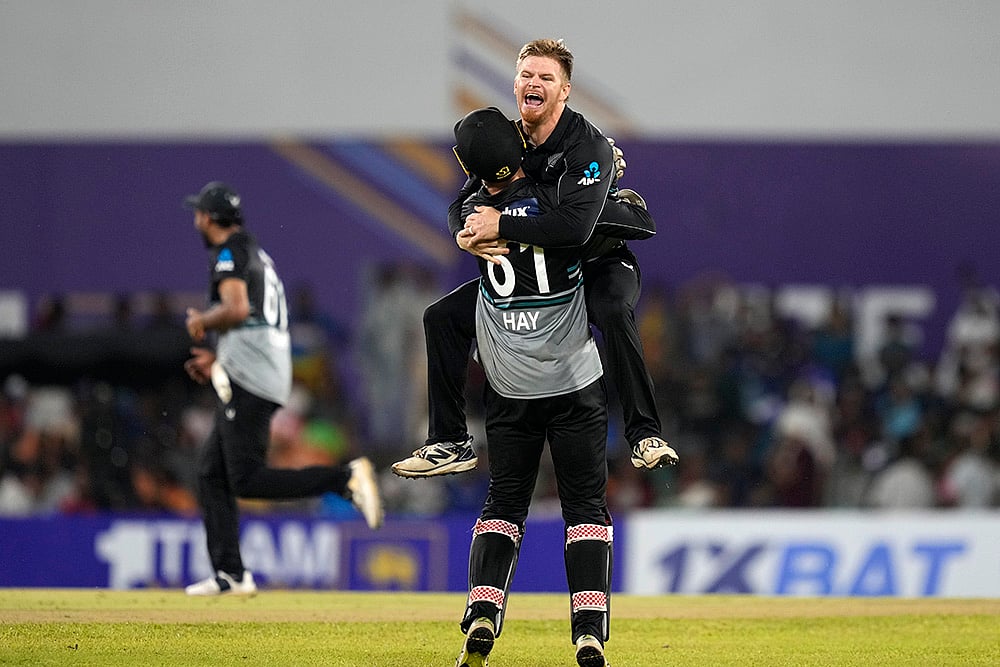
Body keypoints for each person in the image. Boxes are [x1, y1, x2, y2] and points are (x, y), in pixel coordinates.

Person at [392, 38, 677, 479]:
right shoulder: (507, 140)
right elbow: (462, 202)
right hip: (539, 271)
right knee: (442, 318)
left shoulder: (588, 147)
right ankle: (449, 442)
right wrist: (465, 236)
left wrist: (500, 223)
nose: (534, 83)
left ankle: (644, 435)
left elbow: (574, 230)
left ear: (565, 91)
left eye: (546, 77)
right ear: (515, 84)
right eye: (527, 75)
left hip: (597, 259)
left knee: (613, 309)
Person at [448, 107, 613, 667]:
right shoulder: (554, 203)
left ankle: (483, 611)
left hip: (511, 384)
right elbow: (584, 224)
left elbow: (468, 198)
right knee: (585, 507)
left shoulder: (474, 215)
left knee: (504, 502)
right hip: (573, 381)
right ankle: (589, 631)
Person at [180, 181, 383, 596]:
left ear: (209, 218)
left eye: (199, 214)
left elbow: (237, 309)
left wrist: (202, 321)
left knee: (246, 479)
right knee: (211, 473)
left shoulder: (228, 252)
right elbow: (255, 319)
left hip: (251, 377)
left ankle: (343, 479)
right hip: (256, 370)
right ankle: (231, 573)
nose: (196, 221)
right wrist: (220, 360)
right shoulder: (254, 252)